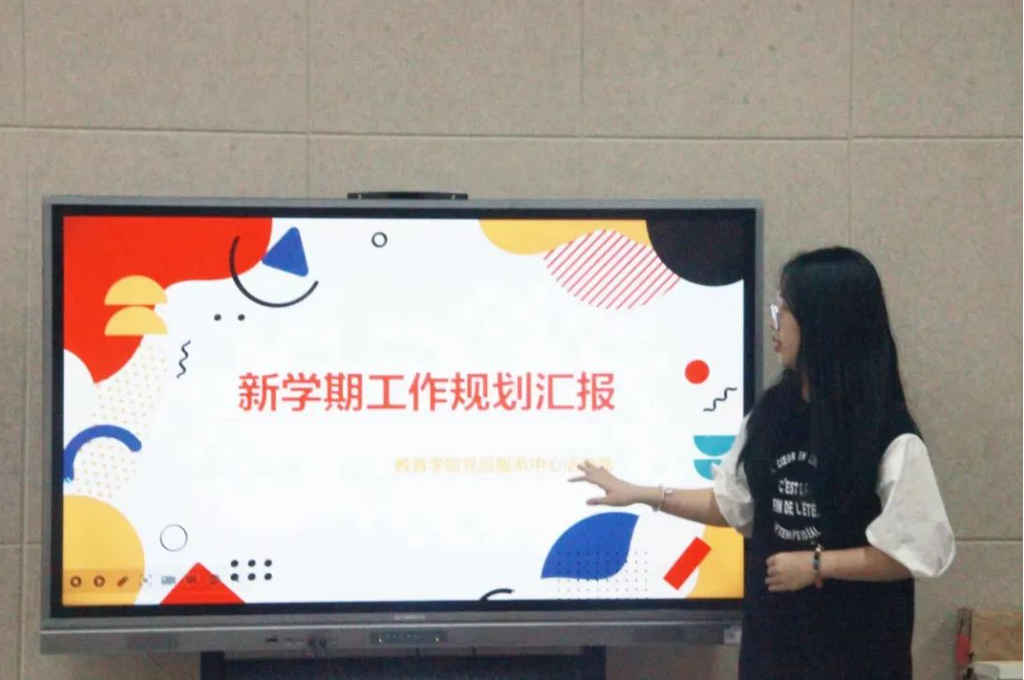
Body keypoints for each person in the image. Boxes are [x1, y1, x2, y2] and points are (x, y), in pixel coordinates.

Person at [571, 246, 955, 680]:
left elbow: (916, 552)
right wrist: (644, 494)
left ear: (824, 324)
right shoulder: (772, 413)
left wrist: (817, 565)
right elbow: (734, 506)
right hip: (773, 652)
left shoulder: (888, 431)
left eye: (786, 310)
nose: (775, 322)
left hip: (858, 656)